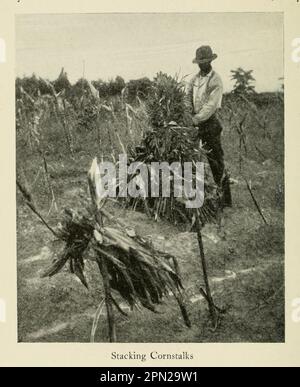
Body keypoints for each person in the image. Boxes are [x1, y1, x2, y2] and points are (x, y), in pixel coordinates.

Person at [186, 45, 232, 207]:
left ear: (210, 61)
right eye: (200, 62)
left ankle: (226, 201)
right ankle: (195, 195)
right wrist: (188, 114)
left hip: (210, 124)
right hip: (195, 124)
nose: (202, 65)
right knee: (191, 159)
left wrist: (196, 119)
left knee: (216, 162)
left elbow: (211, 105)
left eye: (204, 62)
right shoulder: (194, 80)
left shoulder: (215, 79)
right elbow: (187, 98)